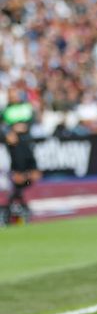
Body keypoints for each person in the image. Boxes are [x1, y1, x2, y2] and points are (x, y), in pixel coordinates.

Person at [2, 90, 41, 224]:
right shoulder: (6, 110)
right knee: (17, 176)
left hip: (26, 143)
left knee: (32, 175)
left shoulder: (26, 107)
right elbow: (3, 126)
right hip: (14, 146)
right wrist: (8, 133)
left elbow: (32, 121)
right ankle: (14, 205)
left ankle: (16, 202)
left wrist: (22, 127)